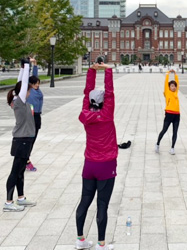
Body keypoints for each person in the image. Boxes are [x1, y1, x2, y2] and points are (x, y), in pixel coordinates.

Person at [75, 61, 117, 250]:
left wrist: (91, 71)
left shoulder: (85, 114)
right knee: (102, 204)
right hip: (106, 164)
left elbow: (87, 93)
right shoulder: (106, 114)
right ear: (103, 103)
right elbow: (109, 93)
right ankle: (101, 244)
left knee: (85, 200)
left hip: (89, 164)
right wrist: (108, 70)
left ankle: (80, 239)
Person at [3, 59, 37, 212]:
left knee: (21, 171)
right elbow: (22, 85)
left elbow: (20, 83)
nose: (29, 93)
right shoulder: (19, 102)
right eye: (28, 90)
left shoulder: (18, 100)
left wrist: (23, 69)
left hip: (25, 139)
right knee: (15, 172)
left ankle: (21, 198)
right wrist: (27, 65)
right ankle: (8, 202)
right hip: (21, 140)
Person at [155, 69, 180, 155]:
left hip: (177, 115)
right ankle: (157, 144)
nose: (174, 87)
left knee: (175, 132)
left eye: (174, 86)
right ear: (169, 87)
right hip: (169, 114)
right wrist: (168, 73)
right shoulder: (167, 92)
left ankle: (172, 148)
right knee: (164, 130)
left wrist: (175, 74)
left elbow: (177, 83)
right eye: (172, 86)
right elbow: (166, 83)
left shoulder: (176, 92)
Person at [25, 57, 44, 172]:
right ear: (31, 84)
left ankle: (26, 157)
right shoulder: (29, 89)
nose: (37, 85)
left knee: (33, 139)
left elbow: (35, 75)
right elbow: (27, 77)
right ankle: (26, 160)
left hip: (37, 116)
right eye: (35, 84)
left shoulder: (37, 90)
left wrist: (35, 64)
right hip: (30, 116)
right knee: (29, 139)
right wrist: (27, 65)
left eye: (38, 83)